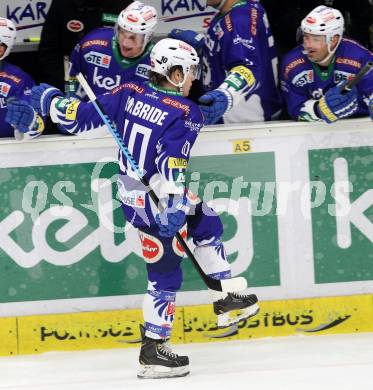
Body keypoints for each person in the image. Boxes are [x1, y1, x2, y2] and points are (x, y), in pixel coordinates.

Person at [7, 38, 259, 378]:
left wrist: (50, 100)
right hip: (158, 196)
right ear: (173, 73)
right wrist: (171, 202)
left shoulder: (129, 91)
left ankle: (225, 294)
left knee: (205, 219)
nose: (193, 80)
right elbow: (172, 161)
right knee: (165, 271)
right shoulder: (187, 112)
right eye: (189, 73)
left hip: (132, 194)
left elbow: (77, 119)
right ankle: (154, 349)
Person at [170, 0, 282, 124]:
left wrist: (225, 96)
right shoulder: (238, 11)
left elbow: (248, 68)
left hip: (244, 122)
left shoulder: (239, 19)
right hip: (234, 117)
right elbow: (240, 50)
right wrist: (203, 45)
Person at [280, 5, 373, 123]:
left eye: (315, 39)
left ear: (333, 40)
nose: (308, 45)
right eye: (305, 37)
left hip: (359, 127)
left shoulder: (360, 57)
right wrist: (319, 110)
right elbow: (295, 110)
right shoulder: (292, 64)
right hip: (316, 132)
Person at [68, 1, 157, 100]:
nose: (125, 43)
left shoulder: (157, 63)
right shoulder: (92, 43)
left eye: (133, 37)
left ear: (148, 37)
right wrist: (72, 99)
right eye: (122, 33)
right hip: (88, 113)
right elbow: (73, 76)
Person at [39, 0, 133, 92]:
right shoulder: (62, 4)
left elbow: (135, 51)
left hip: (112, 84)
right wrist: (63, 84)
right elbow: (48, 50)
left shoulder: (125, 6)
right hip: (70, 81)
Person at [0, 17, 44, 139]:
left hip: (10, 148)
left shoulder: (19, 79)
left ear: (6, 47)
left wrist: (31, 122)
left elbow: (38, 121)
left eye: (0, 44)